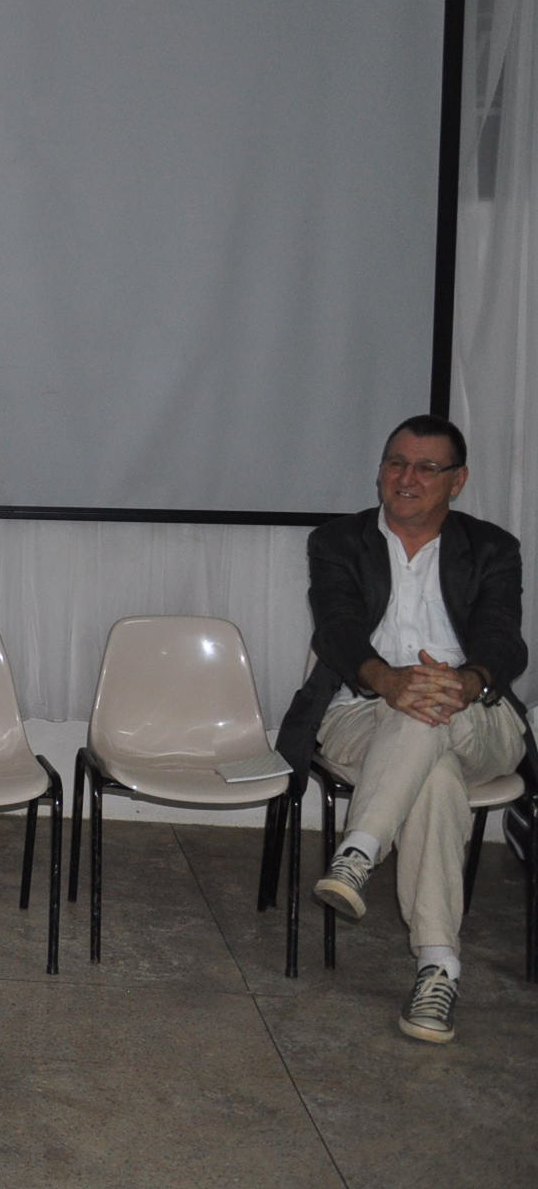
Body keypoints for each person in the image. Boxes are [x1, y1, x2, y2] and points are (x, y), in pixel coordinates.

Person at [274, 414, 531, 1044]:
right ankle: (438, 968)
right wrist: (389, 681)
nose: (406, 478)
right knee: (434, 771)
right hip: (364, 712)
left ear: (457, 481)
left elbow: (505, 640)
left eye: (426, 467)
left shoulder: (492, 548)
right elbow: (336, 628)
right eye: (396, 463)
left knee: (427, 714)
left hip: (477, 715)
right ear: (381, 470)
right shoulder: (339, 541)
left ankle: (360, 850)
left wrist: (465, 682)